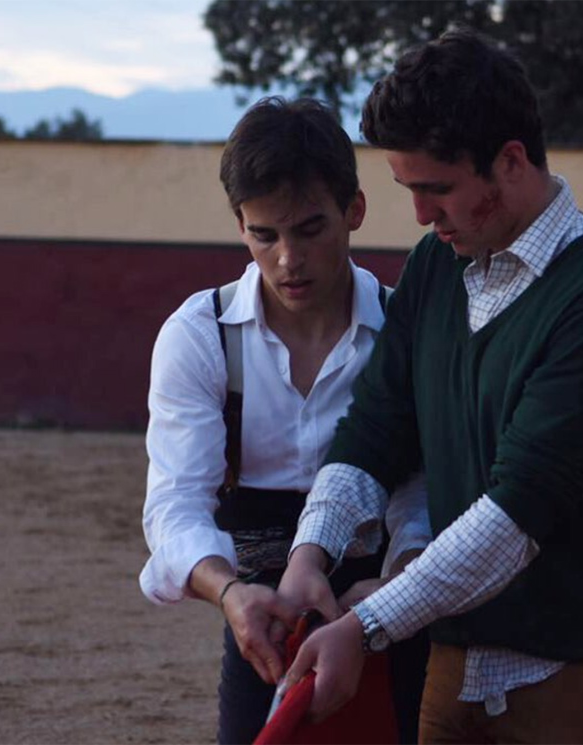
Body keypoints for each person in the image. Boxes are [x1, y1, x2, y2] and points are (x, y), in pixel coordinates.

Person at [273, 28, 583, 745]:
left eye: (436, 189)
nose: (419, 215)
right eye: (408, 190)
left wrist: (365, 626)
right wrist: (309, 552)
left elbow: (513, 518)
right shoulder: (439, 266)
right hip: (459, 658)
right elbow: (378, 425)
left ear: (510, 161)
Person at [138, 96, 430, 745]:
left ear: (354, 210)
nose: (286, 259)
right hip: (263, 620)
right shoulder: (200, 335)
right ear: (239, 224)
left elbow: (420, 484)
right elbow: (175, 506)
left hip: (392, 605)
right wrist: (229, 595)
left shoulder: (405, 325)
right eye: (263, 234)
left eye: (308, 228)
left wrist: (400, 582)